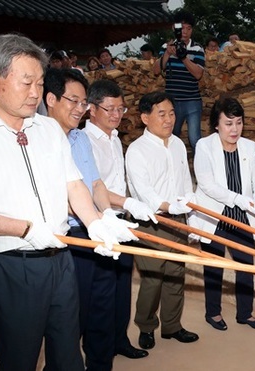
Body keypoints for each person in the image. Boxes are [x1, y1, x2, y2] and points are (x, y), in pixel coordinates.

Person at [0, 33, 128, 370]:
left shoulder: (48, 130)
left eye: (39, 82)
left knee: (68, 355)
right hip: (12, 265)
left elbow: (73, 184)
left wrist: (97, 222)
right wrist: (25, 228)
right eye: (26, 83)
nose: (36, 93)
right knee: (19, 358)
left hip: (61, 260)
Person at [43, 68, 144, 370]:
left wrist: (108, 216)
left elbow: (96, 184)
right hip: (69, 239)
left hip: (96, 231)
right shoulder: (38, 141)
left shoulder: (79, 139)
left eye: (83, 102)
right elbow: (65, 196)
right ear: (50, 99)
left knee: (102, 309)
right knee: (73, 316)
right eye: (73, 100)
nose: (80, 108)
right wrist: (96, 221)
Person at [83, 78, 157, 361]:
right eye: (110, 108)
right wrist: (126, 202)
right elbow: (94, 185)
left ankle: (119, 340)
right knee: (100, 295)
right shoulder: (84, 140)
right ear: (92, 109)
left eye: (121, 109)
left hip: (121, 221)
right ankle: (98, 354)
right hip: (100, 224)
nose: (116, 115)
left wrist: (128, 208)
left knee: (121, 286)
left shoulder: (114, 138)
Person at [125, 91, 199, 350]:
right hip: (151, 222)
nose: (168, 120)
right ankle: (146, 326)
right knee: (153, 277)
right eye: (161, 114)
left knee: (176, 274)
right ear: (145, 118)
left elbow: (185, 182)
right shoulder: (136, 151)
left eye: (171, 113)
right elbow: (145, 192)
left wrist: (189, 209)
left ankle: (172, 326)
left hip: (178, 219)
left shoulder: (178, 144)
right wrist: (168, 205)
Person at [194, 97, 255, 331]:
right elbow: (207, 185)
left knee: (246, 266)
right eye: (228, 123)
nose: (234, 129)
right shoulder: (204, 146)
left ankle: (245, 313)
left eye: (238, 122)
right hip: (215, 216)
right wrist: (238, 199)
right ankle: (213, 313)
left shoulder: (250, 147)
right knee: (214, 267)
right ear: (216, 124)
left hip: (242, 217)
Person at [152, 10, 205, 151]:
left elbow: (198, 74)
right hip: (172, 102)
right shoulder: (166, 47)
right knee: (170, 136)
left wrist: (183, 58)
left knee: (195, 139)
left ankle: (200, 168)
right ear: (174, 28)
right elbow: (157, 70)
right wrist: (168, 53)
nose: (185, 32)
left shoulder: (197, 48)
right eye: (182, 28)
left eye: (188, 28)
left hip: (192, 100)